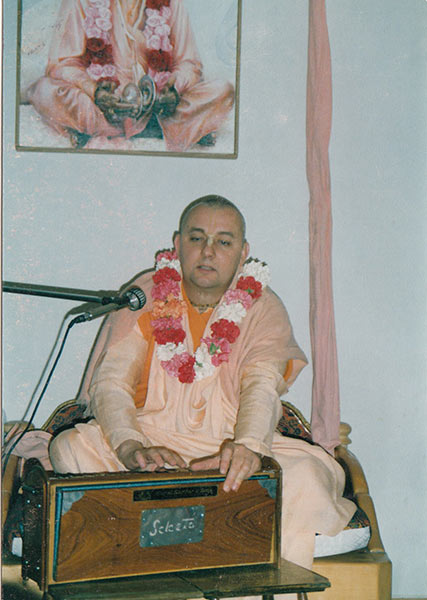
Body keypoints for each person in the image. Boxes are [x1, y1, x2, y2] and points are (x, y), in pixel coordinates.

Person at [49, 195, 356, 578]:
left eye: (223, 242)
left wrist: (248, 448)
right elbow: (111, 383)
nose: (208, 251)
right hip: (150, 446)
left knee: (307, 476)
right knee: (70, 447)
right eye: (197, 239)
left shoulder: (263, 308)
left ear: (243, 252)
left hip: (226, 448)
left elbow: (261, 386)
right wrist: (130, 446)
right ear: (178, 245)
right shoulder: (145, 296)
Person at [27, 0, 234, 151]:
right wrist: (95, 91)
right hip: (104, 108)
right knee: (44, 91)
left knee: (222, 90)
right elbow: (63, 64)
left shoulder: (171, 3)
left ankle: (143, 127)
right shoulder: (81, 1)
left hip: (159, 109)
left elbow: (189, 63)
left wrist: (174, 88)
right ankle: (172, 129)